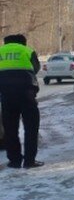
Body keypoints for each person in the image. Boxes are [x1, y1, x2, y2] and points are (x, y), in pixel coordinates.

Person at [0, 34, 43, 168]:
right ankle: (30, 161)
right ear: (23, 42)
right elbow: (36, 68)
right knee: (31, 128)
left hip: (6, 95)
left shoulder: (1, 51)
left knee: (10, 129)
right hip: (26, 94)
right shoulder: (27, 51)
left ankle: (14, 161)